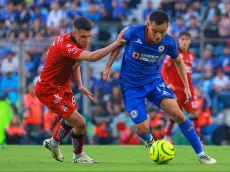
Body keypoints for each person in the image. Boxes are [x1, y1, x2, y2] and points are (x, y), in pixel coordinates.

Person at [103, 11, 216, 164]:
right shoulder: (134, 32)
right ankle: (149, 141)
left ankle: (201, 154)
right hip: (131, 86)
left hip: (154, 82)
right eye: (154, 31)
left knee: (178, 114)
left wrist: (187, 86)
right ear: (148, 25)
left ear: (167, 28)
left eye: (162, 32)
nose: (157, 36)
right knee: (143, 129)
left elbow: (179, 61)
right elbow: (118, 45)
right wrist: (108, 66)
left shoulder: (168, 42)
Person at [35, 17, 125, 163]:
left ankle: (53, 143)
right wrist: (115, 44)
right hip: (48, 89)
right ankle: (77, 156)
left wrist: (80, 85)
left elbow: (75, 64)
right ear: (74, 33)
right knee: (80, 123)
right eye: (83, 37)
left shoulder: (76, 42)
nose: (86, 40)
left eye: (89, 37)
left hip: (62, 86)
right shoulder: (65, 45)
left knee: (72, 120)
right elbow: (92, 57)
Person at [161, 32, 200, 142]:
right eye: (182, 39)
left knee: (194, 113)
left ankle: (198, 139)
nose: (185, 41)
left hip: (188, 90)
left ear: (190, 41)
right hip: (176, 89)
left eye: (187, 39)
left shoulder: (192, 55)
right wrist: (168, 83)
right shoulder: (173, 53)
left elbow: (188, 74)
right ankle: (167, 136)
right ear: (179, 40)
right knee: (176, 114)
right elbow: (164, 69)